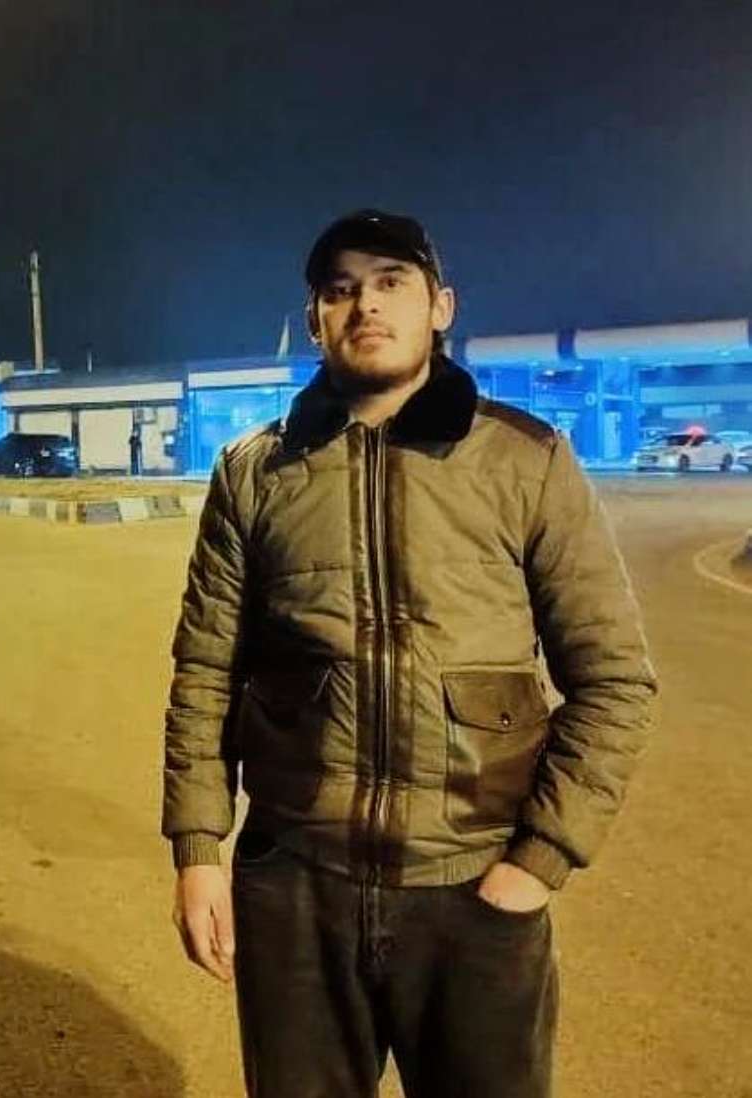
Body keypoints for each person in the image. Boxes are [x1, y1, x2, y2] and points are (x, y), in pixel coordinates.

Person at [162, 210, 657, 1098]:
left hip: (472, 889)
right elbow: (206, 674)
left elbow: (613, 678)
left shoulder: (527, 461)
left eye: (391, 282)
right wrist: (199, 849)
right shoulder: (254, 472)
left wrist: (538, 862)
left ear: (440, 307)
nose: (366, 305)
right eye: (340, 289)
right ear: (315, 319)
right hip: (297, 889)